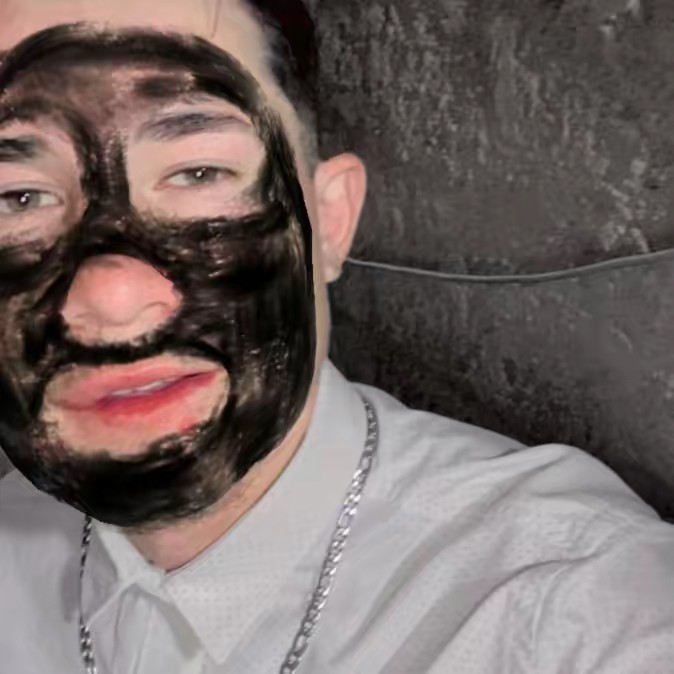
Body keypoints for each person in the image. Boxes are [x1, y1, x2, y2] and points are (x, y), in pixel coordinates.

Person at [0, 1, 673, 672]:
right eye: (17, 198)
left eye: (198, 174)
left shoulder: (578, 614)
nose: (110, 295)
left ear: (331, 221)